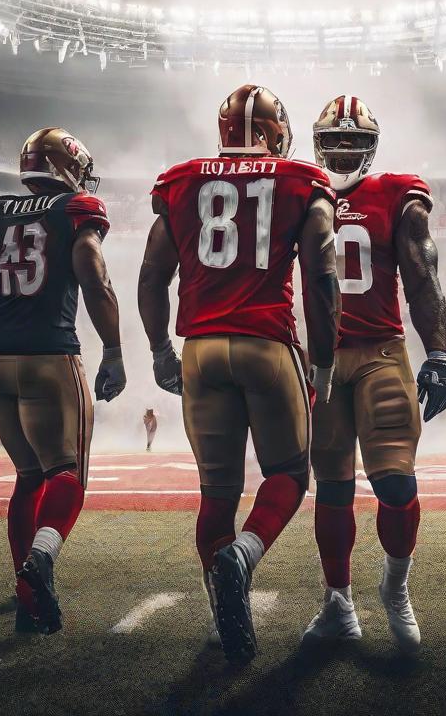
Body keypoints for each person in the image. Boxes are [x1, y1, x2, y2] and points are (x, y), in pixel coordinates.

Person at [138, 84, 339, 664]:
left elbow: (152, 278)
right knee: (287, 474)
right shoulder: (301, 180)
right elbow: (321, 274)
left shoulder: (181, 180)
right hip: (265, 343)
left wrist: (158, 351)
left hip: (200, 348)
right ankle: (244, 556)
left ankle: (228, 624)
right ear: (275, 133)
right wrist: (322, 361)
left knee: (216, 493)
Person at [0, 126, 127, 636]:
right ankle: (41, 559)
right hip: (51, 355)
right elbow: (93, 273)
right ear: (66, 168)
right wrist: (112, 349)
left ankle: (26, 598)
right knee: (67, 474)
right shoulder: (75, 210)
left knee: (27, 476)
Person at [301, 95, 446, 654]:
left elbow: (422, 275)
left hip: (383, 352)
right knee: (333, 488)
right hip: (322, 358)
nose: (342, 152)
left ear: (371, 148)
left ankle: (395, 587)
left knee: (394, 482)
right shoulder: (300, 193)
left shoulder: (395, 195)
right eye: (334, 142)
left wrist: (438, 354)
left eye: (353, 143)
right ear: (318, 145)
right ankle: (338, 603)